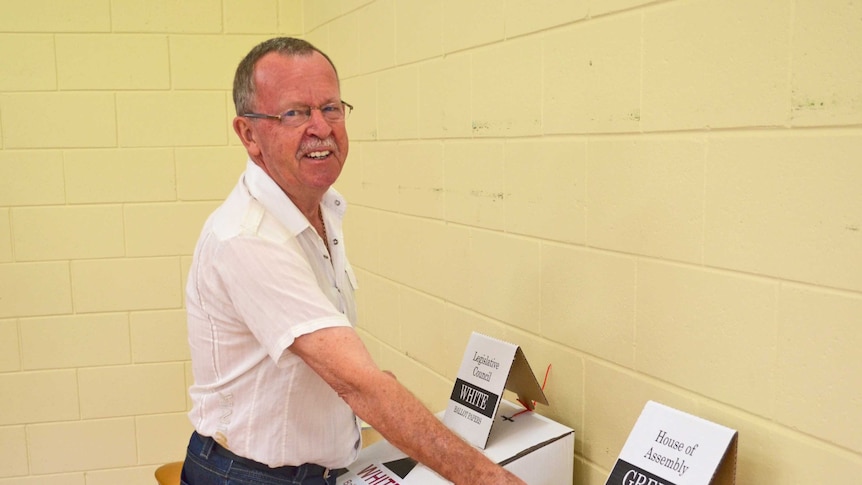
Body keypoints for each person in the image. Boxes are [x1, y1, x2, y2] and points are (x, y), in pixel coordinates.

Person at [181, 37, 527, 485]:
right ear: (249, 134)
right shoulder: (248, 239)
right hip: (248, 477)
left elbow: (337, 371)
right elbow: (358, 384)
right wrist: (489, 479)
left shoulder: (322, 209)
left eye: (331, 108)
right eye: (295, 113)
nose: (321, 128)